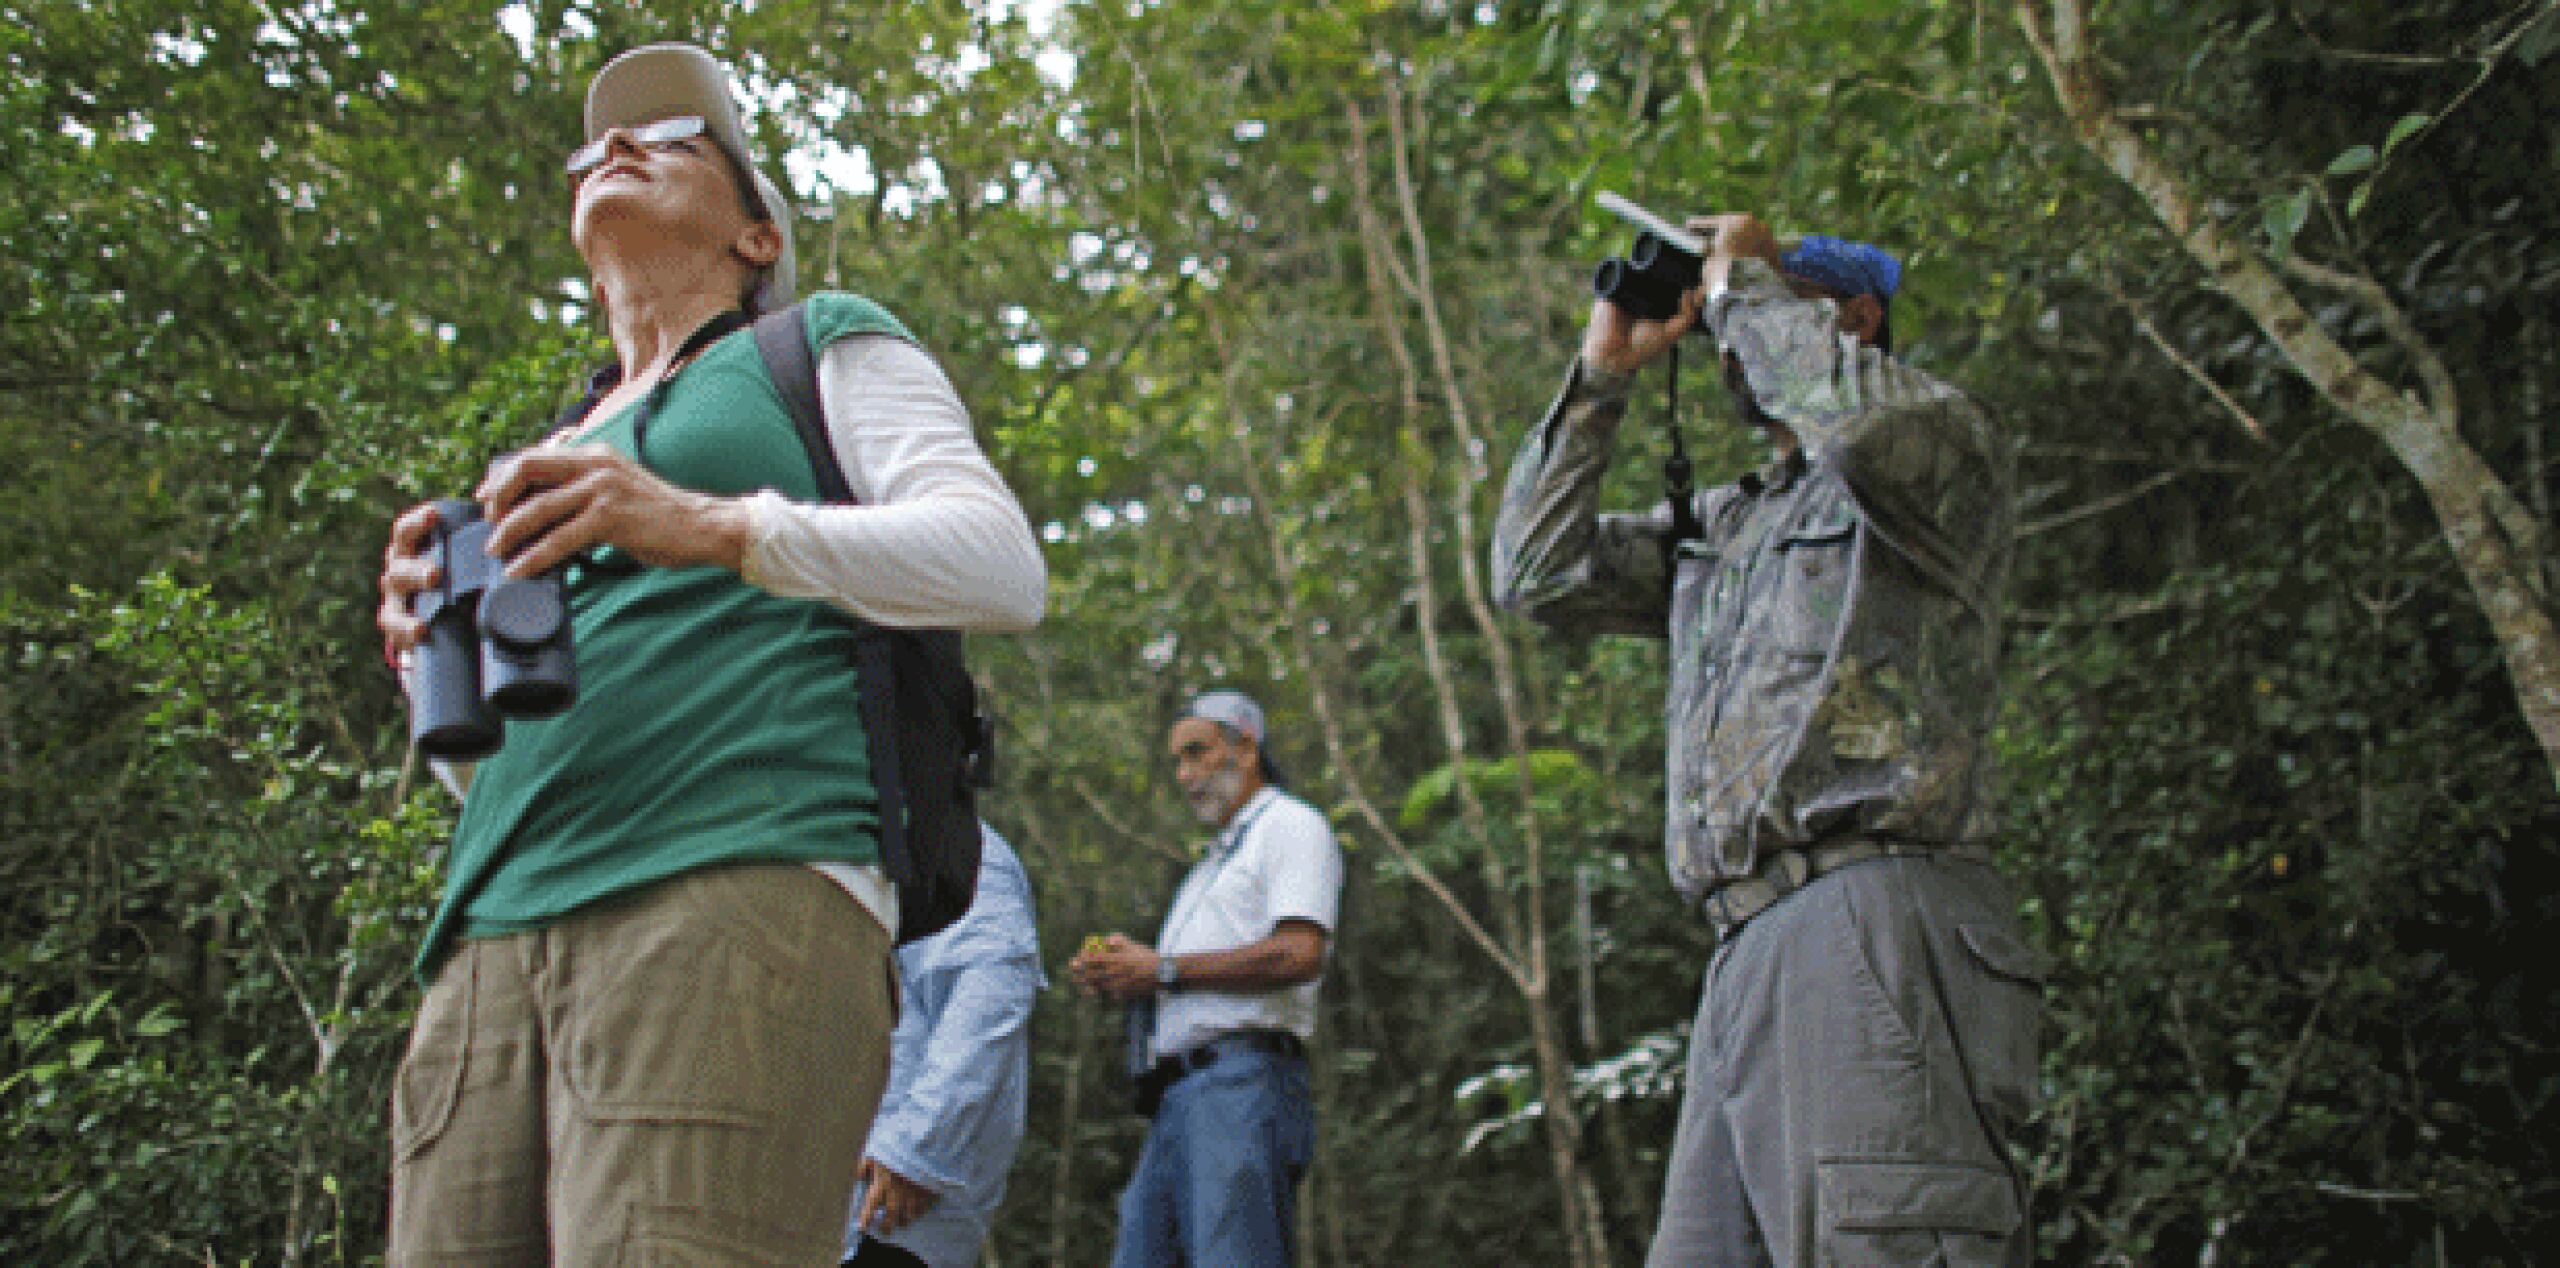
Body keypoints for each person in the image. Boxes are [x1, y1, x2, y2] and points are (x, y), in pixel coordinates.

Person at [372, 42, 1044, 1265]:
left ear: (757, 239)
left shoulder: (808, 350)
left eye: (674, 136)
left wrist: (709, 525)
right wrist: (426, 655)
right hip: (491, 933)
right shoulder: (547, 454)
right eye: (594, 147)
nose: (615, 148)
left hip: (737, 885)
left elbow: (1000, 561)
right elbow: (488, 773)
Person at [1491, 213, 2042, 1266]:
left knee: (1887, 1238)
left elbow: (1863, 430)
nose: (1727, 319)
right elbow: (1535, 573)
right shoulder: (1734, 522)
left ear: (1858, 317)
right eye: (1724, 299)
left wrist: (1748, 279)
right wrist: (1601, 378)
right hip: (1743, 945)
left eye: (1765, 296)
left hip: (1875, 917)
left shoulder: (1934, 454)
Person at [1067, 690, 1343, 1268]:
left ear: (1246, 748)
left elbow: (1299, 952)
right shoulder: (1211, 864)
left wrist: (1162, 970)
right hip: (1180, 1096)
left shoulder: (1290, 826)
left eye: (1197, 753)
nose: (1185, 774)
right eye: (1177, 761)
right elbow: (1178, 978)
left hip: (1242, 1084)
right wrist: (1126, 972)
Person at [843, 823, 1045, 1268]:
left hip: (890, 1214)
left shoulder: (947, 841)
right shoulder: (843, 834)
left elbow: (988, 1000)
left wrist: (916, 1153)